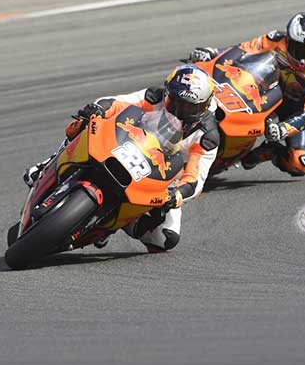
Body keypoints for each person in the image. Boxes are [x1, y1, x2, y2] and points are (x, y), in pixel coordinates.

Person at [23, 64, 219, 252]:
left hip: (163, 176)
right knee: (85, 121)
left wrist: (177, 194)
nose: (181, 111)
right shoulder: (154, 97)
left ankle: (113, 224)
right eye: (176, 103)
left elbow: (195, 179)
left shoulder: (207, 137)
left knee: (165, 238)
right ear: (167, 94)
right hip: (128, 143)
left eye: (190, 108)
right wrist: (99, 109)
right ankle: (48, 163)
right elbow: (116, 103)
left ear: (205, 106)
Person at [190, 12, 305, 176]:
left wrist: (284, 128)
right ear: (288, 40)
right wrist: (213, 52)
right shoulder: (275, 39)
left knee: (300, 163)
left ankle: (269, 152)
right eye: (298, 49)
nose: (303, 59)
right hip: (263, 94)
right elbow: (242, 49)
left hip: (292, 111)